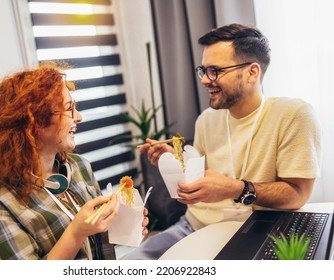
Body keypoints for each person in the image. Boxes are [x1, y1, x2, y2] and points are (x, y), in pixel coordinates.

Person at [123, 23, 321, 260]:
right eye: (203, 70)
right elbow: (201, 181)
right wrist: (175, 162)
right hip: (193, 226)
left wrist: (235, 188)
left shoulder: (293, 114)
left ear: (252, 72)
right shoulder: (207, 119)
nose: (206, 80)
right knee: (128, 265)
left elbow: (298, 194)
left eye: (215, 70)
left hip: (258, 231)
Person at [0, 63, 149, 260]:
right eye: (69, 109)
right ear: (36, 122)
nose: (78, 117)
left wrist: (118, 225)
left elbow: (97, 250)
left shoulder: (79, 168)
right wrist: (76, 233)